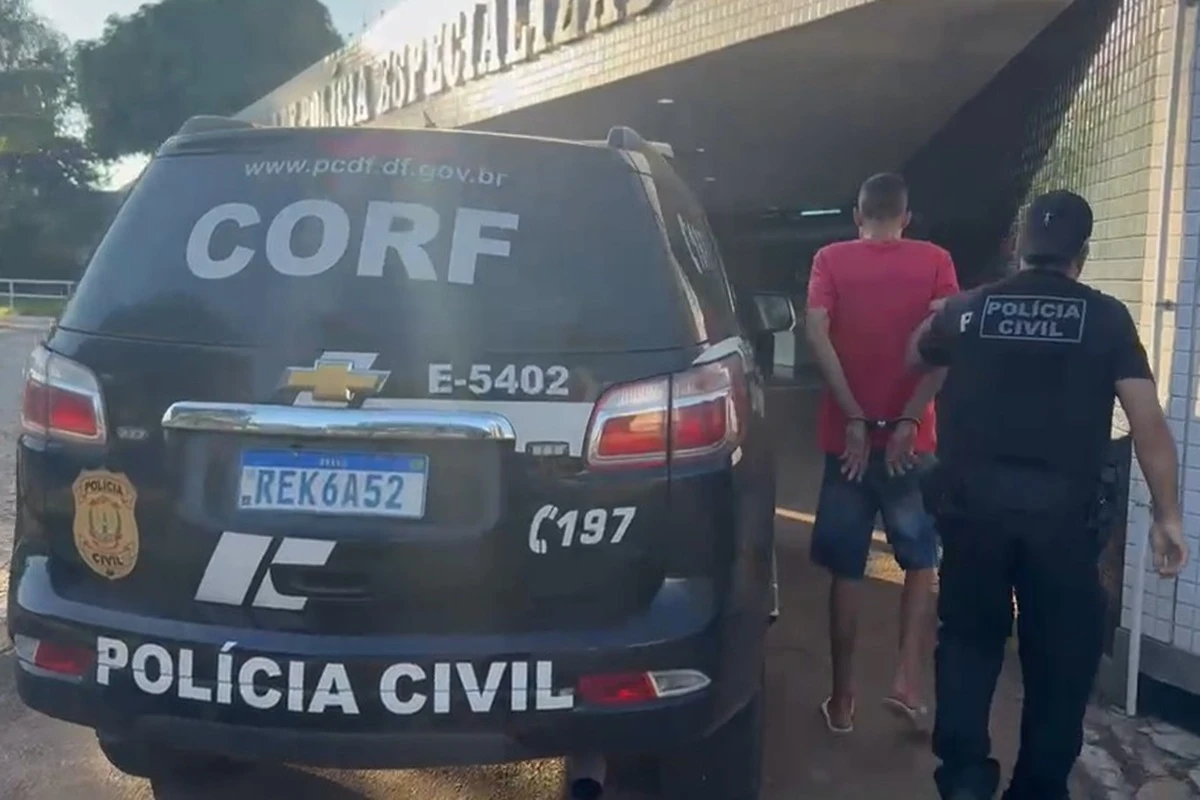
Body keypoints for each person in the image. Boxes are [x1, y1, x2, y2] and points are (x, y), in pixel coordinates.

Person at [908, 190, 1190, 800]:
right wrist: (1167, 515)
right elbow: (1147, 423)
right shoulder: (1106, 318)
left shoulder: (969, 309)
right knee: (1060, 663)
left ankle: (963, 780)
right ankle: (1036, 789)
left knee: (967, 645)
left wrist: (941, 318)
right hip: (1062, 527)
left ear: (1019, 246)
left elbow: (917, 353)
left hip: (972, 517)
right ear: (1080, 256)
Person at [804, 172, 959, 734]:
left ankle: (842, 702)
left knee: (848, 568)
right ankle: (907, 684)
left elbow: (815, 332)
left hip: (845, 443)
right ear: (906, 217)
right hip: (911, 445)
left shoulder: (830, 259)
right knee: (920, 560)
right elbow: (946, 344)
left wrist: (853, 414)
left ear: (857, 215)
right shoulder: (936, 261)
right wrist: (910, 418)